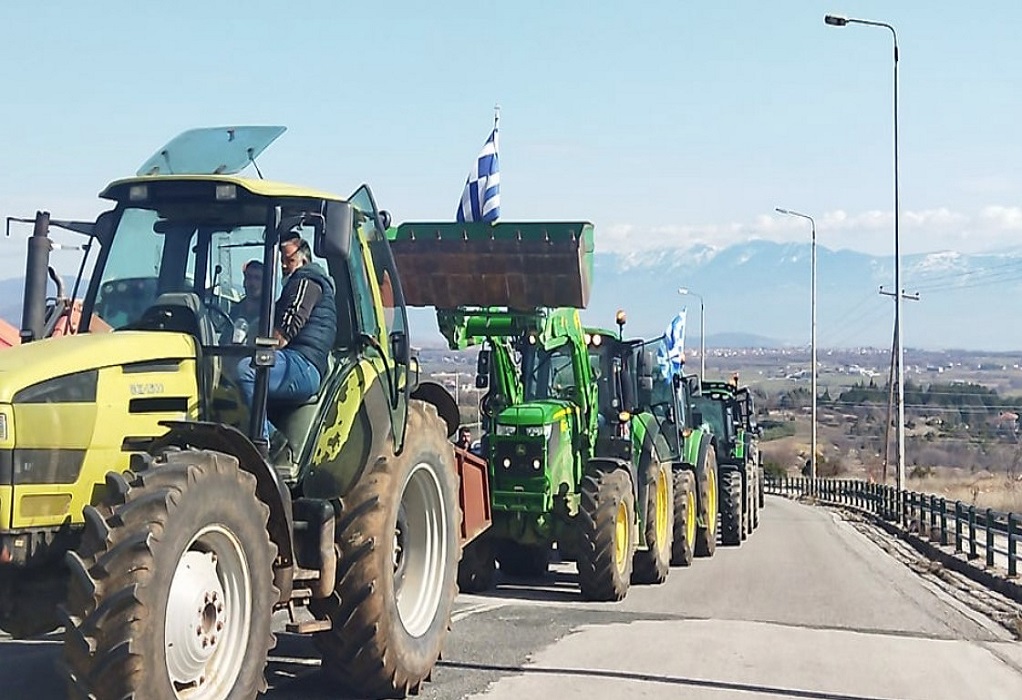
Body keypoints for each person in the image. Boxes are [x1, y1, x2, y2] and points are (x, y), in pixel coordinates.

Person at [236, 232, 337, 454]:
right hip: (294, 360)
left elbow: (283, 332)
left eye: (289, 260)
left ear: (304, 259)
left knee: (246, 370)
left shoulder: (307, 281)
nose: (283, 265)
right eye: (281, 260)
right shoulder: (298, 284)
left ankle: (268, 440)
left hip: (304, 364)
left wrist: (249, 347)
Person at [230, 259, 264, 328]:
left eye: (257, 278)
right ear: (244, 281)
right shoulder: (235, 311)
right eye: (248, 277)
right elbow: (225, 337)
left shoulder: (269, 314)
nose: (252, 283)